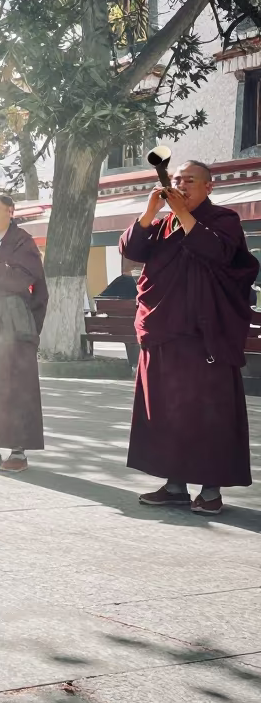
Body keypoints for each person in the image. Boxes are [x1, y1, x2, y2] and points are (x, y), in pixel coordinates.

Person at [119, 160, 257, 515]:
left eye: (190, 180)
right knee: (166, 410)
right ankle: (175, 485)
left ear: (209, 187)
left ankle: (210, 491)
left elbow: (218, 254)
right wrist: (150, 212)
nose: (181, 185)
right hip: (163, 331)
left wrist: (183, 214)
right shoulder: (162, 223)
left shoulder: (224, 219)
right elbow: (132, 251)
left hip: (204, 334)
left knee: (208, 412)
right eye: (177, 179)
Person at [0, 194, 48, 472]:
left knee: (18, 386)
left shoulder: (22, 241)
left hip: (15, 324)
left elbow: (21, 280)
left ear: (10, 211)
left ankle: (18, 451)